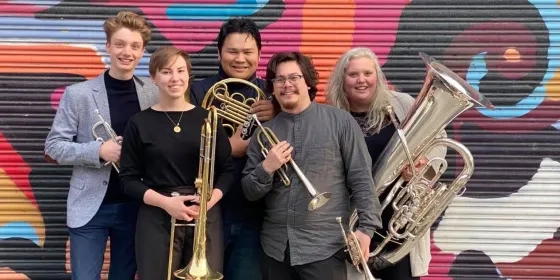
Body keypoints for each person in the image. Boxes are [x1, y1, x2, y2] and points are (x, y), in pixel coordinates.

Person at [241, 51, 382, 280]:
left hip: (325, 248)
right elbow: (249, 191)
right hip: (276, 249)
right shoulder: (264, 133)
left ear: (308, 82)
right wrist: (266, 168)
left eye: (294, 78)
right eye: (279, 79)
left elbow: (362, 179)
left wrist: (366, 229)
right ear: (273, 87)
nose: (287, 85)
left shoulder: (341, 122)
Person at [43, 11, 156, 280]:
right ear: (108, 46)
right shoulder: (78, 94)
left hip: (135, 206)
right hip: (89, 207)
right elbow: (53, 147)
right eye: (120, 44)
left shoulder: (153, 92)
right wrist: (98, 151)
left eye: (134, 46)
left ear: (142, 51)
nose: (126, 52)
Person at [325, 47, 447, 280]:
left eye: (368, 73)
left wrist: (423, 170)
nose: (362, 80)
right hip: (355, 222)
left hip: (399, 224)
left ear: (377, 77)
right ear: (343, 80)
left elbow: (439, 142)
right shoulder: (331, 116)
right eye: (353, 75)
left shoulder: (401, 104)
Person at [118, 46, 235, 280]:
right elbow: (128, 180)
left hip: (203, 213)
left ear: (188, 75)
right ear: (153, 78)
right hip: (157, 215)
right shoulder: (139, 123)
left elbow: (227, 170)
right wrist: (166, 203)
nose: (175, 78)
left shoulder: (208, 118)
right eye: (166, 72)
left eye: (181, 71)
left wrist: (209, 201)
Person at [189, 17, 276, 280]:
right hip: (207, 212)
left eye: (248, 52)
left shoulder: (273, 96)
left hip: (255, 216)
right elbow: (180, 149)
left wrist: (279, 112)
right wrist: (230, 147)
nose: (240, 59)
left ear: (259, 54)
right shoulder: (197, 92)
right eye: (232, 51)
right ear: (219, 52)